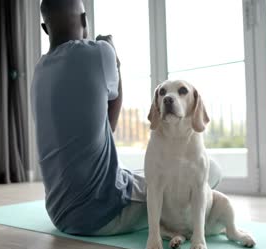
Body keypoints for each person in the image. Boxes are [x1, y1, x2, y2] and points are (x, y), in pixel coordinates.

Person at [31, 0, 222, 236]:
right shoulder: (99, 52)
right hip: (103, 212)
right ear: (83, 20)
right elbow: (110, 126)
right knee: (212, 171)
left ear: (45, 28)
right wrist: (115, 60)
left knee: (149, 174)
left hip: (59, 213)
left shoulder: (39, 70)